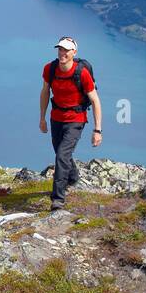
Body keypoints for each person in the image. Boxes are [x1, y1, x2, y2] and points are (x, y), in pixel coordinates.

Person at [39, 36, 102, 210]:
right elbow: (45, 92)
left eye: (66, 50)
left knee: (61, 156)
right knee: (62, 154)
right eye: (60, 49)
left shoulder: (81, 73)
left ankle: (57, 199)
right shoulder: (50, 69)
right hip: (56, 118)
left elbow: (95, 100)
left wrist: (97, 130)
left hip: (76, 119)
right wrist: (42, 118)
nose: (62, 53)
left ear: (74, 52)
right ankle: (73, 177)